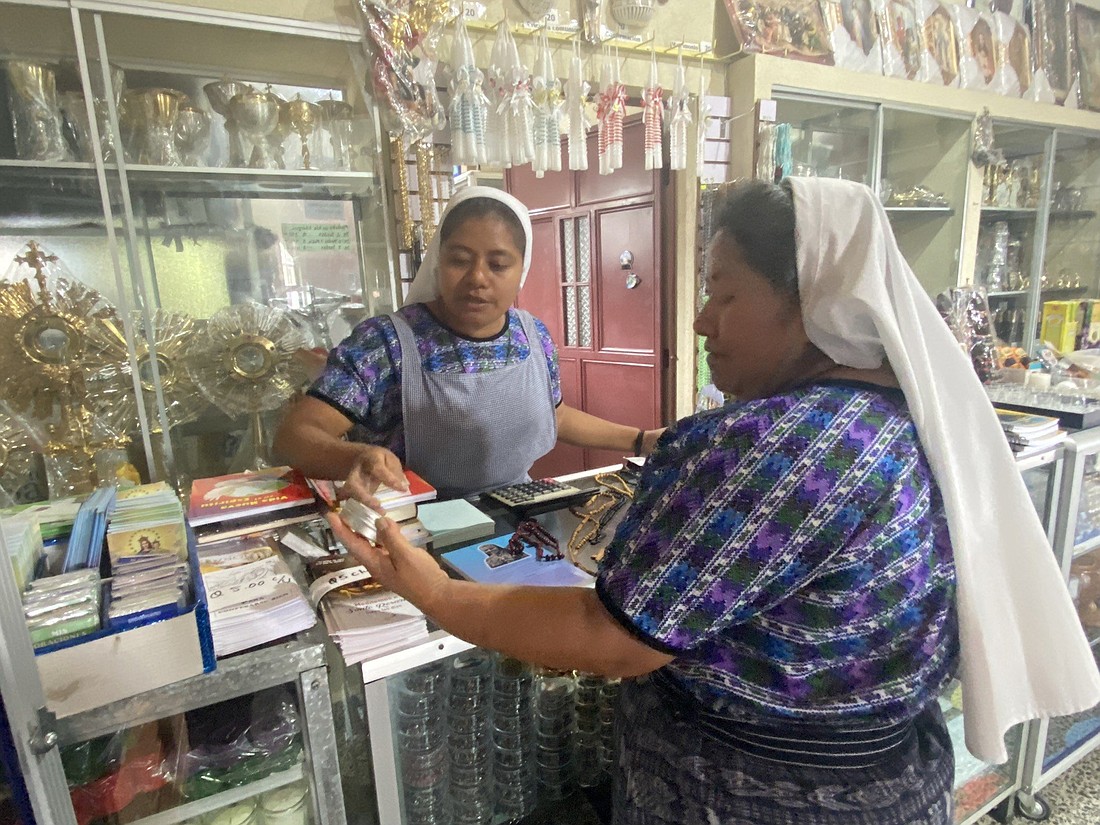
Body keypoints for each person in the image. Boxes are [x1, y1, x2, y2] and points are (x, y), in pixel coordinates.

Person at [328, 177, 1100, 824]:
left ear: (811, 300)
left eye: (722, 296)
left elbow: (611, 636)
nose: (699, 321)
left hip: (746, 797)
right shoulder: (911, 416)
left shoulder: (773, 444)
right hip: (898, 784)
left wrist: (429, 587)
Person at [273, 186, 662, 502]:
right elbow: (295, 437)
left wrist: (641, 440)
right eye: (460, 259)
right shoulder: (385, 344)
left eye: (497, 264)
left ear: (520, 271)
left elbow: (555, 416)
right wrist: (355, 456)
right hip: (412, 525)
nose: (477, 278)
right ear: (439, 262)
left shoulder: (532, 336)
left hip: (517, 513)